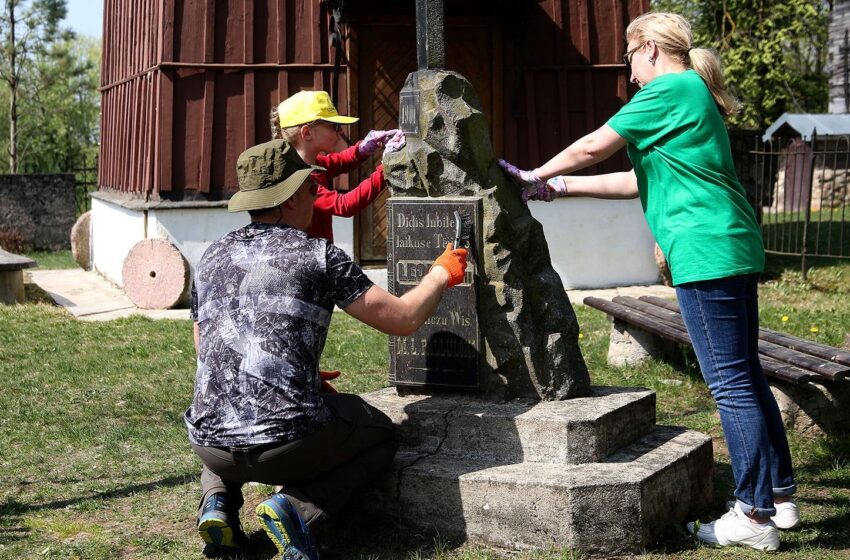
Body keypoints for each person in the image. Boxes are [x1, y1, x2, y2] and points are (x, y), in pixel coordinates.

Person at [499, 11, 798, 552]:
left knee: (730, 383)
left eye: (630, 58)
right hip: (729, 242)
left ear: (650, 49)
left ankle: (753, 514)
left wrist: (531, 174)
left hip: (704, 251)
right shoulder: (691, 95)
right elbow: (636, 180)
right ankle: (777, 494)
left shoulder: (667, 91)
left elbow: (596, 145)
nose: (630, 72)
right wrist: (558, 188)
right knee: (746, 375)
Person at [186, 139, 467, 558]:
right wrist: (441, 275)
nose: (315, 195)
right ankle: (295, 508)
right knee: (381, 435)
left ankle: (218, 504)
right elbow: (403, 319)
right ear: (292, 198)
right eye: (309, 189)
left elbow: (207, 348)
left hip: (211, 449)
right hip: (286, 444)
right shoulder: (318, 256)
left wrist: (291, 370)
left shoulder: (210, 256)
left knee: (223, 411)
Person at [270, 89, 405, 242]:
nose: (340, 131)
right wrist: (386, 168)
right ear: (307, 133)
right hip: (308, 259)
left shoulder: (313, 163)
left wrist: (363, 149)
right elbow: (344, 205)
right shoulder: (297, 177)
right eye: (333, 126)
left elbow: (339, 161)